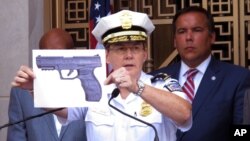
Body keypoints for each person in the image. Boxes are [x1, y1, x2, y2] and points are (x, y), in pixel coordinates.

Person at [11, 10, 192, 141]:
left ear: (145, 54)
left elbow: (184, 114)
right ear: (107, 56)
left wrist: (138, 87)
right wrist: (36, 88)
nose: (129, 55)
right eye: (121, 49)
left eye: (136, 48)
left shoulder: (162, 85)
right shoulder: (97, 91)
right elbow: (63, 110)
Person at [151, 6, 250, 141]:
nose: (189, 37)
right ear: (174, 41)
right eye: (182, 31)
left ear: (212, 37)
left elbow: (243, 132)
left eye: (197, 30)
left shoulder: (237, 78)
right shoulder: (155, 80)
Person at [7, 28, 87, 141]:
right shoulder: (22, 92)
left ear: (72, 55)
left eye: (59, 55)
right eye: (47, 56)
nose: (54, 62)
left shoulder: (88, 90)